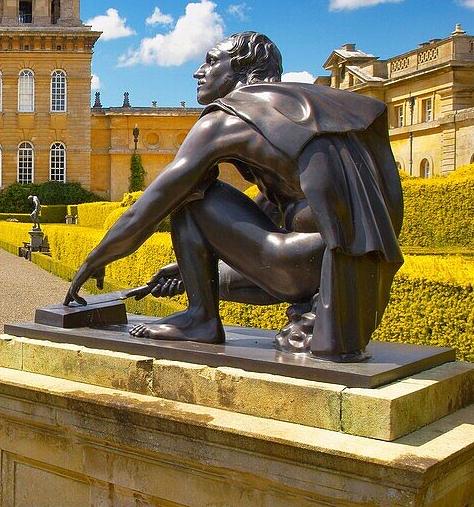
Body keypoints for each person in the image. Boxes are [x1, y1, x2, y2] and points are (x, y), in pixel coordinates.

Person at [64, 32, 403, 360]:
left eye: (212, 62)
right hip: (339, 269)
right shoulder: (301, 109)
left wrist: (92, 262)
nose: (199, 71)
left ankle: (200, 319)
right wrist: (188, 269)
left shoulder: (228, 118)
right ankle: (198, 307)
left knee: (190, 194)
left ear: (244, 71)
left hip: (307, 265)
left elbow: (150, 206)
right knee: (215, 263)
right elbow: (270, 210)